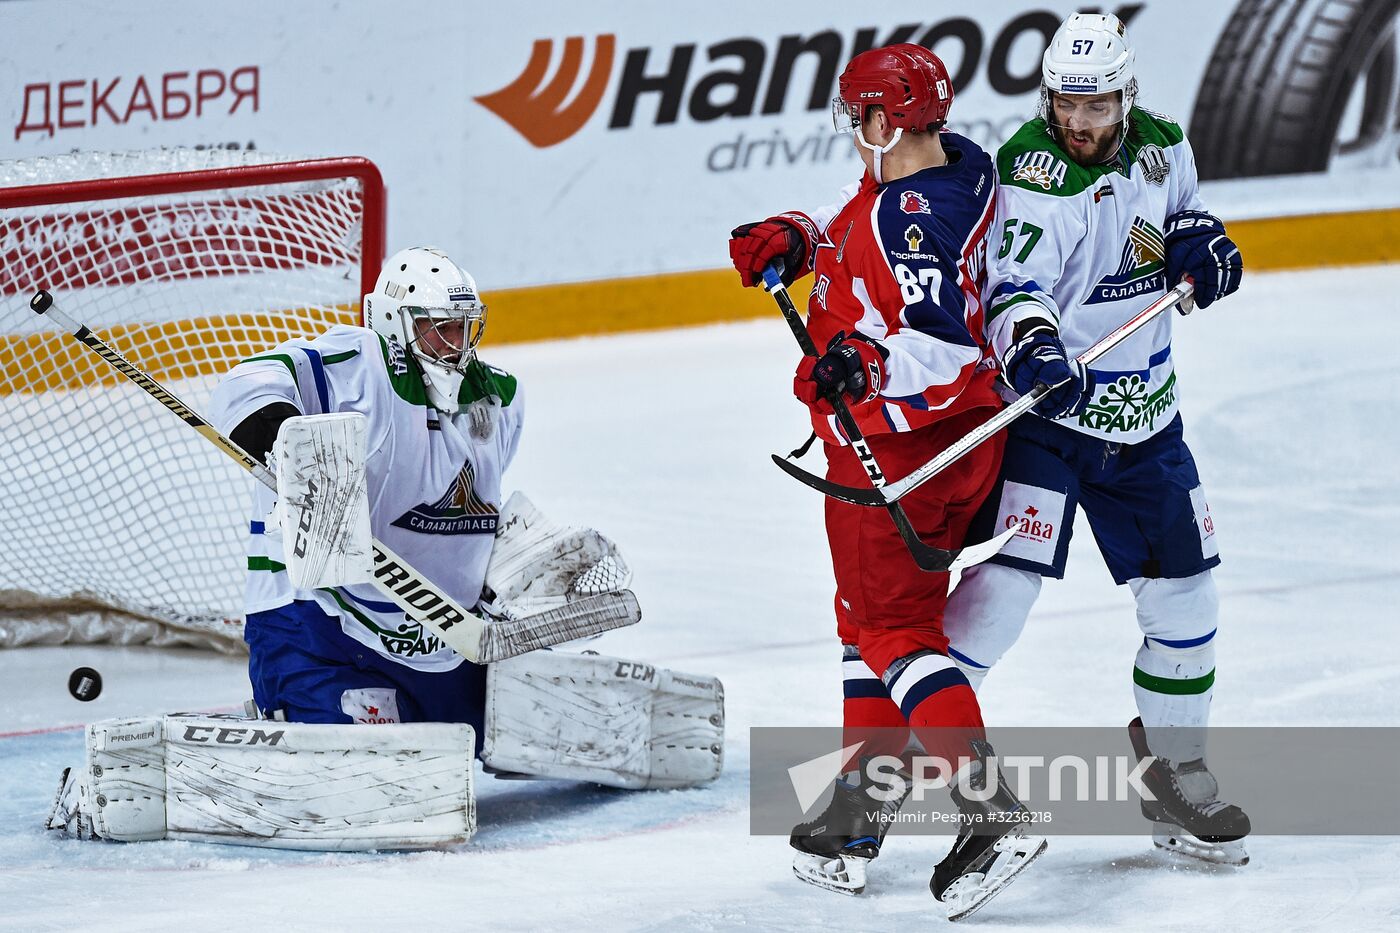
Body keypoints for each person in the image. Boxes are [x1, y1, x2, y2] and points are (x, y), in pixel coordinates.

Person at [45, 247, 724, 851]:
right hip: (318, 623)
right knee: (386, 777)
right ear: (399, 326)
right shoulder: (360, 364)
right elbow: (248, 381)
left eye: (465, 327)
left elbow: (459, 515)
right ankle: (166, 767)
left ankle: (334, 719)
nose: (457, 343)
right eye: (439, 327)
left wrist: (513, 568)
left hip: (439, 639)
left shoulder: (499, 401)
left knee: (493, 736)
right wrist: (290, 442)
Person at [730, 45, 1045, 918]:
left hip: (896, 457)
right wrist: (802, 236)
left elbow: (936, 343)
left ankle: (991, 810)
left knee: (896, 630)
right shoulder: (963, 169)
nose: (853, 130)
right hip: (959, 446)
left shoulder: (906, 217)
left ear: (880, 121)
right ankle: (861, 806)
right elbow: (874, 228)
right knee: (869, 619)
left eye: (859, 115)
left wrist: (863, 362)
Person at [940, 13, 1250, 865]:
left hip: (1149, 422)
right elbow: (1013, 286)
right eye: (1067, 102)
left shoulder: (1164, 146)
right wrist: (1036, 345)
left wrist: (1204, 243)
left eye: (1098, 103)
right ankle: (902, 751)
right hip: (1053, 424)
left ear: (1127, 94)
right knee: (1000, 599)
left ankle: (1175, 774)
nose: (1080, 121)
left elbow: (1184, 215)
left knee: (1188, 598)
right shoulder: (1029, 172)